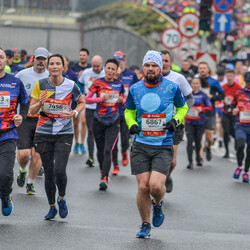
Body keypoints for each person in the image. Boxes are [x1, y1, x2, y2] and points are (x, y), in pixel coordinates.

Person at [125, 50, 188, 238]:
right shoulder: (135, 88)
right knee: (143, 186)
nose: (150, 69)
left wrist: (175, 121)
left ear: (161, 67)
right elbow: (128, 111)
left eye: (154, 65)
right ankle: (145, 224)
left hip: (163, 144)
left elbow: (183, 107)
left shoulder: (172, 87)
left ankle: (158, 204)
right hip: (141, 144)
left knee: (155, 187)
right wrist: (132, 124)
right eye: (147, 65)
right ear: (143, 67)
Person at [30, 54, 84, 220]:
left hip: (64, 132)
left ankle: (61, 198)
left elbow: (82, 102)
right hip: (44, 132)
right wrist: (39, 102)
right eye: (51, 64)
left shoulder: (71, 85)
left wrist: (74, 112)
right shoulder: (40, 84)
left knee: (59, 170)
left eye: (57, 64)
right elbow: (32, 111)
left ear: (63, 67)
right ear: (47, 67)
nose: (54, 66)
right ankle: (52, 207)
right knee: (49, 172)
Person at [85, 58, 125, 190]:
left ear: (116, 71)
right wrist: (100, 99)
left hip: (114, 120)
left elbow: (124, 99)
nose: (110, 71)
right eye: (108, 68)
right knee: (100, 150)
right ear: (105, 69)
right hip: (98, 120)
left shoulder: (119, 84)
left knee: (108, 149)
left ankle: (105, 177)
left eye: (113, 69)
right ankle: (102, 170)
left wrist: (121, 99)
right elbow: (87, 99)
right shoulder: (97, 83)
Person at [15, 47, 49, 195]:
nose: (40, 62)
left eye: (43, 59)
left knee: (37, 155)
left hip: (44, 120)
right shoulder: (22, 75)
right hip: (25, 119)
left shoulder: (52, 76)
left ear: (47, 60)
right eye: (38, 59)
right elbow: (13, 95)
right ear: (33, 59)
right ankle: (22, 170)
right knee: (23, 155)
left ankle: (30, 183)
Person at [0, 48, 29, 216]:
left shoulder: (15, 82)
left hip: (7, 134)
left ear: (6, 61)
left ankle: (5, 195)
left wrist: (21, 116)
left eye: (1, 57)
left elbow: (25, 103)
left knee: (4, 174)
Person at [161, 50, 194, 193]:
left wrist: (182, 114)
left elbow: (190, 98)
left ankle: (167, 175)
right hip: (155, 122)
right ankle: (157, 181)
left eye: (166, 61)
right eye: (160, 61)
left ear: (171, 62)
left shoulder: (179, 78)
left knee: (172, 160)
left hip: (175, 123)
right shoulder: (150, 77)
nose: (163, 64)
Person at [111, 51, 138, 175]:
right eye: (116, 62)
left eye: (120, 62)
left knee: (124, 139)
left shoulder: (131, 74)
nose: (118, 64)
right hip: (112, 112)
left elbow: (138, 90)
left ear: (124, 62)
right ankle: (115, 165)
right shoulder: (110, 74)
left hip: (126, 111)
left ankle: (124, 152)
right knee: (113, 140)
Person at [78, 55, 105, 167]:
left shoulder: (105, 74)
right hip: (89, 107)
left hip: (102, 108)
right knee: (91, 132)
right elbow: (79, 83)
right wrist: (82, 93)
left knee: (101, 134)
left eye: (97, 66)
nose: (95, 68)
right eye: (93, 66)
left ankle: (101, 155)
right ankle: (90, 157)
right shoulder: (86, 72)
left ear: (102, 65)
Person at [197, 62, 225, 162]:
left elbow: (222, 95)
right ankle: (199, 158)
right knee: (199, 136)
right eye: (200, 68)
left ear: (208, 69)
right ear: (198, 70)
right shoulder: (196, 81)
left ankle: (208, 147)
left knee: (209, 137)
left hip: (210, 111)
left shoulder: (213, 81)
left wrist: (212, 97)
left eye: (204, 68)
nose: (202, 70)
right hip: (198, 112)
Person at [185, 78, 212, 169]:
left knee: (198, 142)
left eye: (197, 83)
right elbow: (181, 106)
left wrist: (202, 109)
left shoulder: (203, 95)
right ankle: (190, 161)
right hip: (189, 122)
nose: (195, 85)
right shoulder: (187, 95)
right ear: (190, 84)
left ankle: (198, 159)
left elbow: (210, 107)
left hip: (200, 122)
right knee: (189, 141)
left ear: (200, 85)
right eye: (193, 83)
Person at [71, 48, 91, 155]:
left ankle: (82, 143)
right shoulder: (74, 67)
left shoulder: (90, 68)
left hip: (86, 97)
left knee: (83, 121)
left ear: (87, 57)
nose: (82, 57)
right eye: (80, 55)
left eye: (84, 55)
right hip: (75, 97)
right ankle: (76, 142)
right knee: (75, 122)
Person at [232, 71, 250, 183]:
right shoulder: (239, 93)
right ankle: (239, 166)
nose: (249, 84)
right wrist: (233, 110)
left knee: (249, 151)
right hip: (241, 125)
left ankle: (246, 172)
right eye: (248, 82)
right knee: (240, 145)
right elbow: (231, 105)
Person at [221, 69, 242, 158]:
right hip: (225, 111)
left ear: (234, 77)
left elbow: (242, 99)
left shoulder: (238, 87)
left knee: (234, 131)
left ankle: (236, 145)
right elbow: (219, 97)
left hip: (234, 112)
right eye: (228, 76)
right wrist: (219, 103)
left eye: (231, 76)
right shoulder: (223, 87)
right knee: (226, 131)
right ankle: (227, 151)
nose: (229, 78)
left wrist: (237, 107)